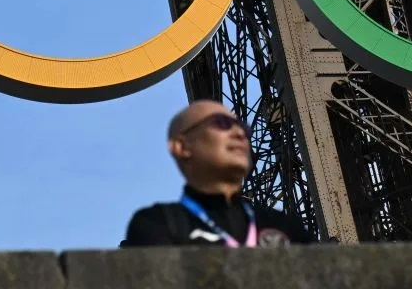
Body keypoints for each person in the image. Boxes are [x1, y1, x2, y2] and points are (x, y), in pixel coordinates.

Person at [120, 99, 315, 247]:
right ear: (181, 147)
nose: (239, 134)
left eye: (243, 128)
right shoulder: (158, 225)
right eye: (221, 123)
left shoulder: (287, 228)